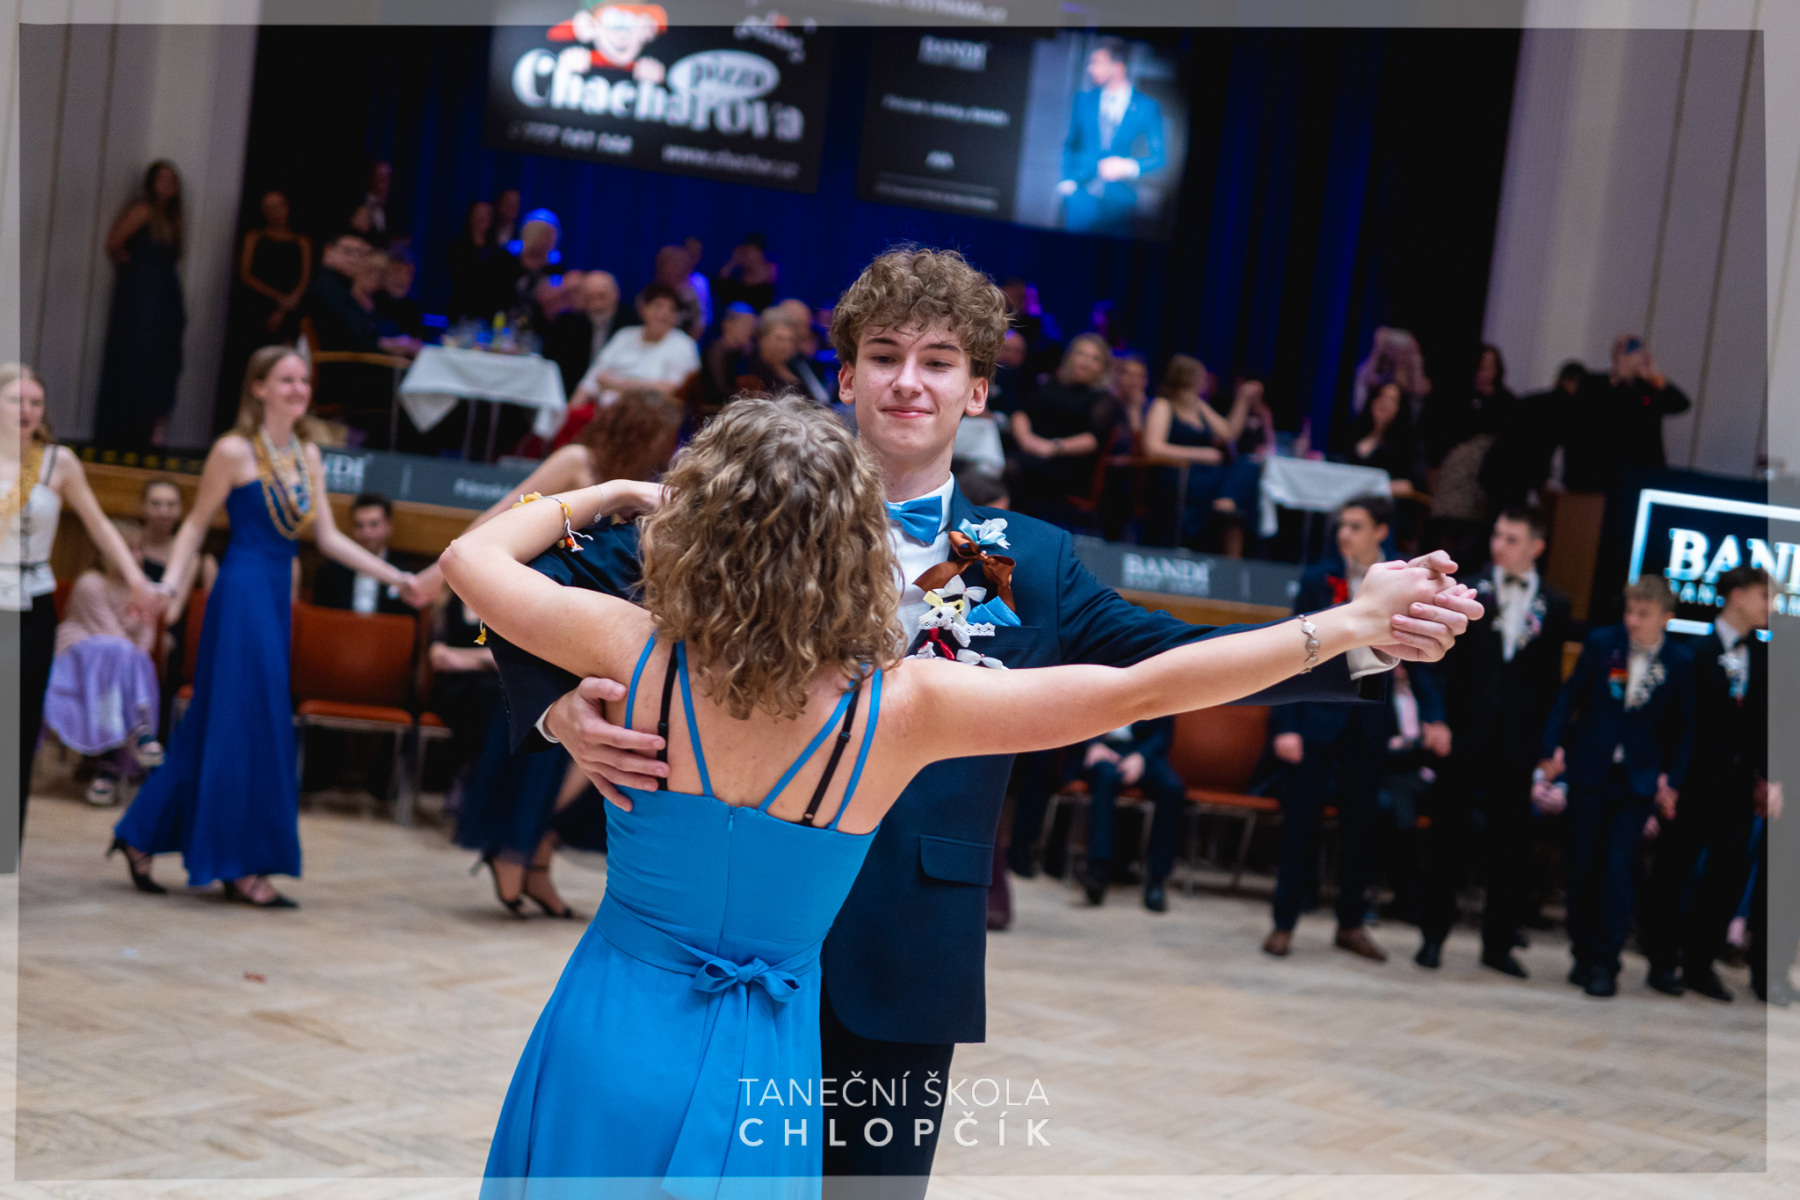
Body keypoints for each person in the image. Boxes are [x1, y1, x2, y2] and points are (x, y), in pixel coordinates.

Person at [472, 248, 1481, 1191]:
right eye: (884, 356)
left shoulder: (1021, 561)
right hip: (713, 946)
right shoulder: (741, 521)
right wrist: (559, 711)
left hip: (901, 961)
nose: (908, 382)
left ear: (978, 390)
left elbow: (1165, 667)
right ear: (847, 377)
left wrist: (1363, 640)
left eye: (939, 361)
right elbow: (538, 594)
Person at [109, 347, 418, 907]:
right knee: (245, 725)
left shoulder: (307, 453)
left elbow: (328, 538)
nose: (299, 389)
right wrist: (169, 587)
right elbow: (195, 526)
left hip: (277, 594)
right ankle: (239, 865)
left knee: (222, 724)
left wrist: (395, 575)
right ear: (258, 388)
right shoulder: (232, 450)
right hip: (242, 593)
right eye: (286, 379)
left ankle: (142, 835)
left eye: (304, 380)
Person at [406, 390, 684, 917]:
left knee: (598, 750)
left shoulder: (648, 485)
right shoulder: (579, 461)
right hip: (546, 610)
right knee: (556, 748)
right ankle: (516, 848)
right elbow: (503, 514)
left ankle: (537, 855)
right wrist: (434, 579)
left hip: (595, 628)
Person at [3, 365, 159, 847]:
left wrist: (137, 579)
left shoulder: (58, 462)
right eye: (16, 401)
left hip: (31, 605)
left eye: (36, 402)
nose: (28, 411)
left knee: (16, 729)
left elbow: (100, 526)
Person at [1412, 506, 1571, 976]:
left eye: (1512, 538)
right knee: (1448, 838)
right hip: (1464, 733)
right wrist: (1435, 719)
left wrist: (1548, 746)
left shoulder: (1555, 604)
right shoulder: (1467, 590)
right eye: (1497, 535)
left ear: (1536, 547)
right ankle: (1432, 937)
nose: (1499, 545)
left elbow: (1550, 683)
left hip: (1518, 742)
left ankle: (1498, 946)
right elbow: (1436, 664)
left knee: (1510, 846)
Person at [1537, 575, 1694, 998]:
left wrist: (1673, 781)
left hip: (1636, 782)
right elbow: (1570, 697)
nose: (1632, 620)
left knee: (1617, 870)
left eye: (1643, 613)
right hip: (1590, 771)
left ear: (1666, 618)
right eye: (1629, 611)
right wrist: (1550, 747)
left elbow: (1683, 729)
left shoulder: (1679, 661)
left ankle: (1606, 962)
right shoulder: (1603, 643)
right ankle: (1583, 952)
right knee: (1582, 867)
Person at [1262, 495, 1400, 963]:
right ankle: (1283, 922)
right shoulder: (1318, 578)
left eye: (1356, 526)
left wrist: (1431, 715)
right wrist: (1286, 724)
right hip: (1317, 716)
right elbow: (1287, 651)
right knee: (1300, 823)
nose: (1344, 534)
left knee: (1361, 828)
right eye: (1342, 525)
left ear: (1381, 531)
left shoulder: (1398, 580)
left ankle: (1351, 924)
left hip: (1370, 719)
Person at [1641, 566, 1770, 1001]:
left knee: (1726, 877)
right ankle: (1662, 960)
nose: (1770, 606)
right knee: (1674, 871)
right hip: (1694, 782)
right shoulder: (1694, 651)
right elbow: (1679, 722)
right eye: (1763, 596)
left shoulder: (1764, 656)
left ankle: (1700, 963)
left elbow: (1763, 724)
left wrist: (1764, 776)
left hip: (1738, 786)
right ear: (1737, 596)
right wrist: (1669, 778)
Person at [43, 525, 164, 807]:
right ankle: (135, 731)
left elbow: (145, 639)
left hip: (121, 668)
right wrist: (133, 659)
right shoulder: (91, 583)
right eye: (127, 549)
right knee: (115, 653)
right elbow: (110, 633)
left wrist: (135, 659)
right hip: (79, 663)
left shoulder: (143, 588)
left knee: (126, 661)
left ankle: (107, 766)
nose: (135, 556)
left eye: (138, 549)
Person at [93, 161, 187, 448]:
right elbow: (114, 243)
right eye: (161, 179)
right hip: (142, 293)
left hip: (165, 294)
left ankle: (154, 426)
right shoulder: (142, 210)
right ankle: (126, 426)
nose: (166, 185)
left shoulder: (173, 219)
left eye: (171, 180)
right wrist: (136, 273)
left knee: (164, 359)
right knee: (136, 355)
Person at [1057, 37, 1165, 236]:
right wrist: (1068, 181)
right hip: (1081, 200)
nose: (1091, 69)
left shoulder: (1147, 107)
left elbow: (1160, 158)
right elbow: (1070, 144)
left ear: (1118, 67)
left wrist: (1129, 167)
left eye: (1097, 63)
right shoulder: (1084, 100)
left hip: (1121, 207)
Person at [1073, 717, 1183, 911]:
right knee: (1104, 778)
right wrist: (1093, 744)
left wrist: (1141, 756)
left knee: (1172, 788)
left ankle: (1156, 880)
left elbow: (1163, 731)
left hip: (1145, 751)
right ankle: (1098, 871)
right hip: (1105, 747)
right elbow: (1079, 712)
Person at [1010, 332, 1119, 523]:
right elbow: (1021, 412)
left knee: (1013, 467)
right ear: (1070, 357)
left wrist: (1053, 447)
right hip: (1031, 451)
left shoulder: (1102, 399)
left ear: (1103, 367)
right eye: (1081, 354)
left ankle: (1011, 524)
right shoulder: (1050, 384)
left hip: (1068, 465)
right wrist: (1027, 439)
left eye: (1094, 358)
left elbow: (1094, 439)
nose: (1086, 362)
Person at [1141, 355, 1231, 548]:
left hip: (1202, 476)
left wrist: (1243, 401)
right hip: (1173, 473)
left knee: (1236, 473)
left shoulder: (1199, 406)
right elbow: (1153, 448)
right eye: (1202, 376)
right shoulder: (1164, 405)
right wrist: (1201, 455)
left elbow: (1228, 433)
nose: (1206, 382)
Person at [571, 283, 699, 410]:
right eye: (658, 306)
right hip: (605, 411)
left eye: (672, 309)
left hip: (651, 415)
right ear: (643, 308)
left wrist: (616, 385)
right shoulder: (624, 335)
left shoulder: (684, 344)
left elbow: (671, 388)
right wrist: (570, 411)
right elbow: (593, 378)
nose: (664, 313)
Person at [311, 493, 420, 616]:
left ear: (388, 526)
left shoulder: (405, 572)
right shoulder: (330, 572)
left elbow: (408, 622)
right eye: (359, 525)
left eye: (374, 524)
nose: (366, 533)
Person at [236, 190, 311, 342]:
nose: (276, 212)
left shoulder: (301, 241)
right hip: (258, 303)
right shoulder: (255, 237)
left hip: (290, 306)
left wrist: (285, 306)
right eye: (270, 208)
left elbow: (304, 278)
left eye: (279, 206)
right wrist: (278, 298)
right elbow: (246, 275)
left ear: (287, 207)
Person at [1339, 381, 1426, 497]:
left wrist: (1373, 488)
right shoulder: (1355, 432)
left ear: (1400, 408)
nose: (1384, 402)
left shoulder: (1408, 442)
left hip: (1385, 501)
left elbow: (1411, 485)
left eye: (1392, 400)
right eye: (1381, 396)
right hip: (1347, 496)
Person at [447, 200, 501, 322]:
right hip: (461, 314)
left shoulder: (498, 254)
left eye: (486, 215)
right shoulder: (458, 249)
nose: (482, 218)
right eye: (478, 214)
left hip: (488, 316)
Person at [700, 301, 758, 408]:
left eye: (752, 326)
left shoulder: (745, 352)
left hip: (738, 405)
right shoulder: (716, 352)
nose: (749, 330)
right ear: (727, 324)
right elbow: (719, 391)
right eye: (745, 324)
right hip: (718, 410)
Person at [713, 233, 778, 314]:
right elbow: (719, 285)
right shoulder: (734, 280)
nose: (749, 259)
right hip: (733, 319)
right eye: (746, 254)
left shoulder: (768, 283)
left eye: (753, 255)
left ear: (761, 256)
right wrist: (733, 262)